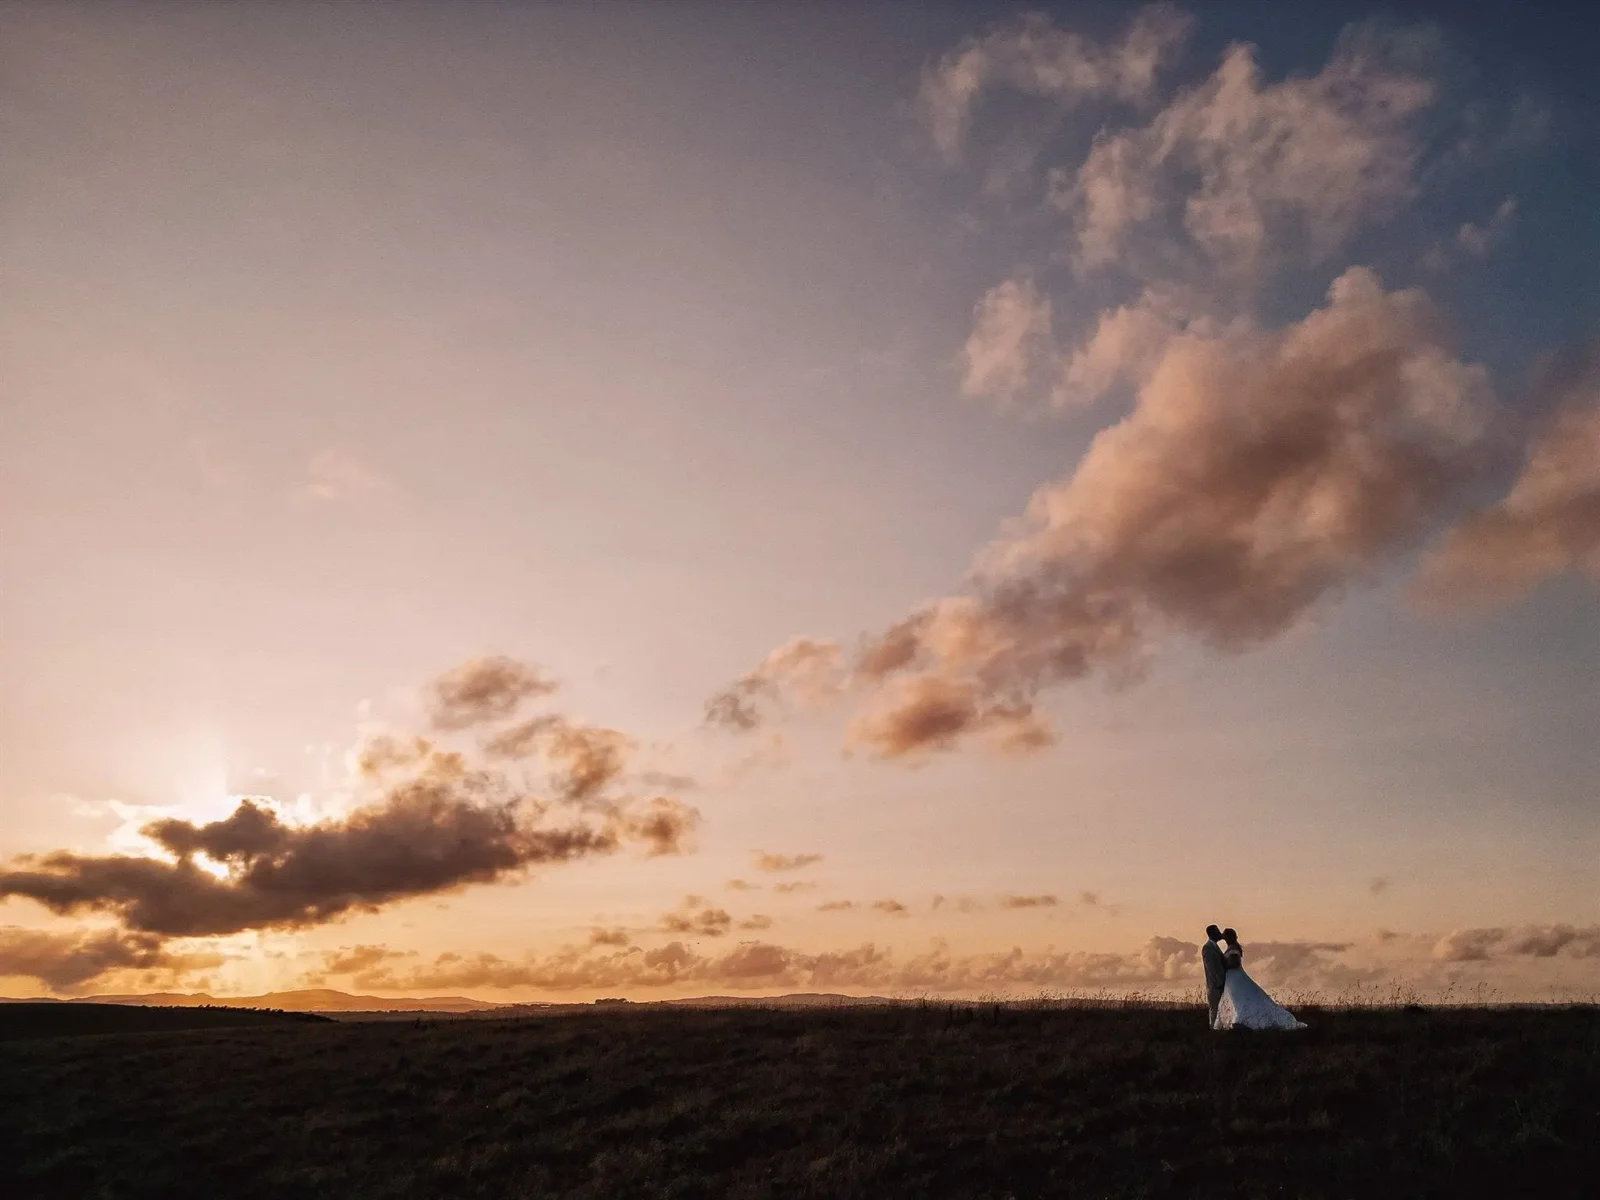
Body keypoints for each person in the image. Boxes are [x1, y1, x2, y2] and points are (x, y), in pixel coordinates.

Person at [1213, 928, 1307, 1031]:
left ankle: (1243, 1020)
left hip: (1235, 978)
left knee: (1240, 998)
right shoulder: (1232, 947)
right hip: (1232, 978)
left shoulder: (1233, 948)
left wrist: (1223, 964)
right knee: (1237, 999)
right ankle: (1240, 1020)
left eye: (1225, 936)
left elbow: (1235, 963)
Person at [1201, 924, 1228, 1028]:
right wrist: (1219, 983)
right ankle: (1213, 1030)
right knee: (1214, 1011)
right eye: (1218, 932)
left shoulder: (1214, 946)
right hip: (1214, 986)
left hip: (1218, 985)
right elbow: (1211, 968)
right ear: (1212, 934)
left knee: (1219, 1010)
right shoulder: (1207, 948)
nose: (1220, 933)